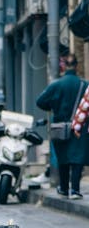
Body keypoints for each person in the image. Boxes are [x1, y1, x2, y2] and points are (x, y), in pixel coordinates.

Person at [36, 53, 88, 198]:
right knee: (77, 158)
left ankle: (64, 188)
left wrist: (54, 107)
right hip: (79, 127)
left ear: (63, 66)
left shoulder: (56, 84)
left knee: (63, 158)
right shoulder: (85, 85)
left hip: (59, 127)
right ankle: (76, 190)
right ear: (77, 66)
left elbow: (40, 101)